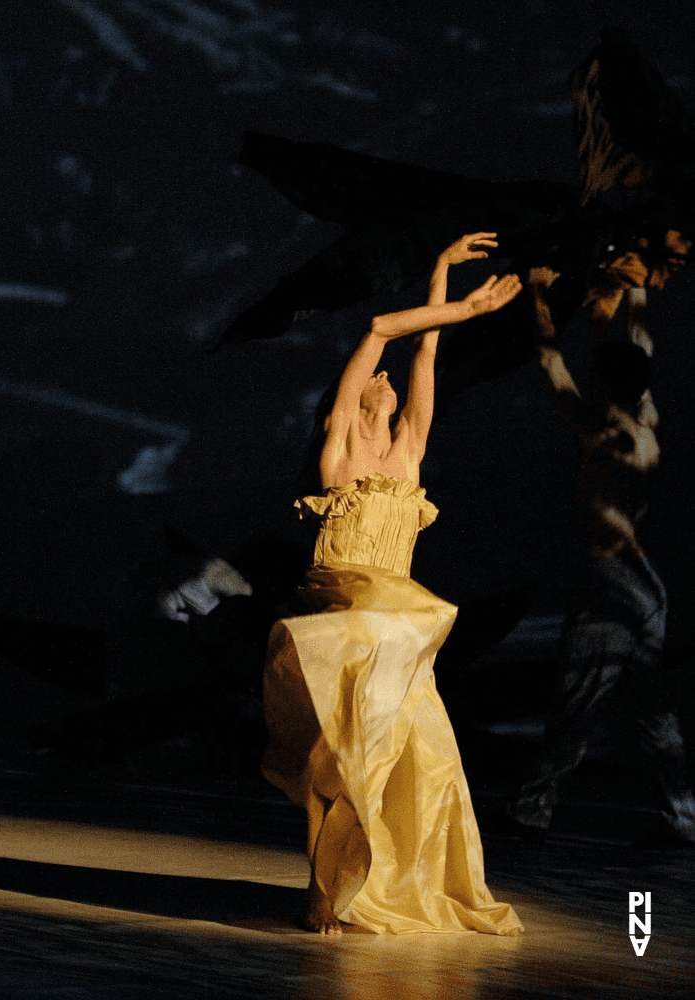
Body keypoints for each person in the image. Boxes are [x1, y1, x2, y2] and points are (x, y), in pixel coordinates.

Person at [261, 233, 524, 935]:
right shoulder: (339, 451)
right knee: (347, 762)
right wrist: (461, 303)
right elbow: (382, 330)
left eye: (389, 382)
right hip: (347, 625)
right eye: (373, 381)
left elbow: (424, 352)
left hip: (399, 638)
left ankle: (394, 884)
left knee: (423, 765)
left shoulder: (408, 453)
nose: (385, 380)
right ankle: (332, 888)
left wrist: (441, 270)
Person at [506, 253, 695, 848]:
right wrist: (637, 292)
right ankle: (684, 816)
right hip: (644, 585)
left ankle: (532, 812)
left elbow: (549, 357)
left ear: (608, 382)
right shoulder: (647, 421)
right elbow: (641, 344)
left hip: (613, 579)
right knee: (653, 711)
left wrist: (536, 293)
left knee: (579, 701)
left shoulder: (597, 428)